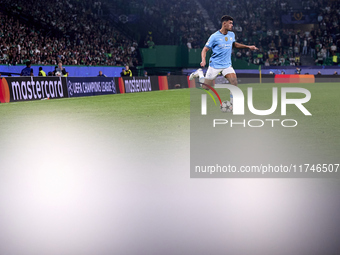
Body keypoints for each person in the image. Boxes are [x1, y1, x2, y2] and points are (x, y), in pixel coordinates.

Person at [189, 15, 258, 108]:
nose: (232, 25)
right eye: (230, 23)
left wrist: (248, 47)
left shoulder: (231, 34)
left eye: (232, 23)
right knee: (205, 88)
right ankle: (200, 73)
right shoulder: (214, 36)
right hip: (215, 65)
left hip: (227, 65)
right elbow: (204, 50)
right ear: (224, 24)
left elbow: (234, 44)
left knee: (234, 82)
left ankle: (232, 105)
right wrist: (203, 60)